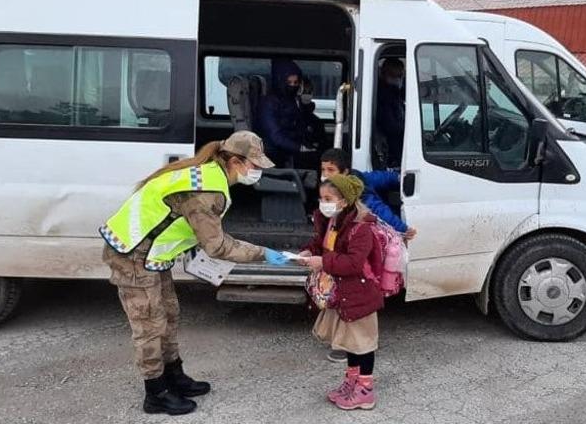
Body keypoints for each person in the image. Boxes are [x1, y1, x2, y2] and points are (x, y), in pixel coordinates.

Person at [99, 131, 290, 416]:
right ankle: (156, 393)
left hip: (153, 253)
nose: (258, 171)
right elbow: (218, 246)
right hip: (132, 253)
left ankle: (174, 376)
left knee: (169, 314)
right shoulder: (206, 190)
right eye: (255, 165)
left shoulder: (209, 174)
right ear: (236, 161)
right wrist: (263, 253)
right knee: (149, 325)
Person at [299, 174, 384, 410]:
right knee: (350, 344)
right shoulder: (334, 221)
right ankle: (352, 382)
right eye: (320, 198)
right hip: (345, 294)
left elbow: (354, 263)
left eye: (328, 198)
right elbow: (323, 245)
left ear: (344, 201)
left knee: (363, 345)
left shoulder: (361, 228)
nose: (322, 202)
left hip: (360, 295)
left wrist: (323, 262)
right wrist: (308, 252)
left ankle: (365, 391)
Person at [320, 148, 417, 241]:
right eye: (323, 170)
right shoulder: (351, 179)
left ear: (345, 172)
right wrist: (397, 177)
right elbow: (379, 177)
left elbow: (378, 210)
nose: (325, 174)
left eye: (331, 170)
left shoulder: (358, 191)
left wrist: (402, 229)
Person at [257, 59, 305, 167]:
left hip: (287, 148)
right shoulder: (268, 104)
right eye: (289, 83)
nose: (293, 86)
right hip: (273, 153)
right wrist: (299, 148)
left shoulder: (292, 100)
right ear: (281, 81)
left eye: (296, 83)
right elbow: (275, 136)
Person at [375, 58, 406, 168]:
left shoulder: (395, 93)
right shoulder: (383, 95)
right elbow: (391, 126)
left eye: (400, 76)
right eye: (393, 75)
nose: (397, 79)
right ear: (384, 74)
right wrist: (410, 132)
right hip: (390, 148)